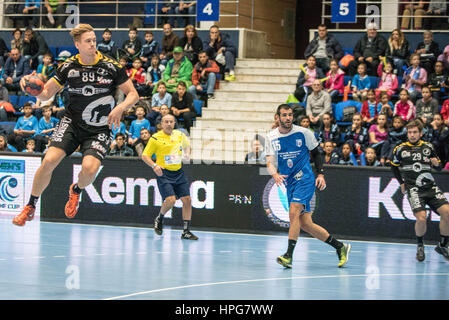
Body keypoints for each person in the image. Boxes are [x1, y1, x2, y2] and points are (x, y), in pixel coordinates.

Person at [12, 23, 139, 227]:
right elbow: (46, 93)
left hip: (99, 127)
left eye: (94, 40)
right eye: (88, 41)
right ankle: (30, 206)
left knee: (89, 170)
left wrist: (120, 108)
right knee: (49, 161)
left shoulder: (111, 66)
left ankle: (76, 191)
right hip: (72, 122)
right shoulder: (68, 66)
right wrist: (30, 88)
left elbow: (133, 94)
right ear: (77, 44)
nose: (93, 44)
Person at [266, 104, 350, 269]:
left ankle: (288, 256)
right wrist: (274, 174)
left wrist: (321, 174)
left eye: (290, 115)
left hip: (304, 179)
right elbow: (269, 161)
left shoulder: (303, 133)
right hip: (289, 183)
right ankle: (340, 247)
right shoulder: (270, 137)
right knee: (305, 223)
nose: (288, 118)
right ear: (278, 117)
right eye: (284, 115)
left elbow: (317, 153)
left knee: (293, 211)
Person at [391, 120, 449, 261]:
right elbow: (393, 166)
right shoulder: (400, 149)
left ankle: (443, 245)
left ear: (420, 133)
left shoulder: (428, 147)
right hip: (414, 189)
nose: (412, 135)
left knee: (447, 212)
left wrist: (437, 164)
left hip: (430, 187)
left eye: (415, 132)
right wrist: (401, 183)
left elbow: (439, 167)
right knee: (421, 218)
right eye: (410, 132)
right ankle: (420, 246)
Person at [142, 114, 198, 240]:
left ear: (174, 123)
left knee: (187, 200)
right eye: (166, 122)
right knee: (171, 200)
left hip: (178, 172)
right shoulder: (155, 138)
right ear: (161, 124)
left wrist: (187, 154)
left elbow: (187, 146)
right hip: (164, 173)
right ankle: (160, 218)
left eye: (171, 122)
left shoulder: (179, 135)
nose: (168, 124)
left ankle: (186, 231)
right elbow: (145, 156)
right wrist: (154, 166)